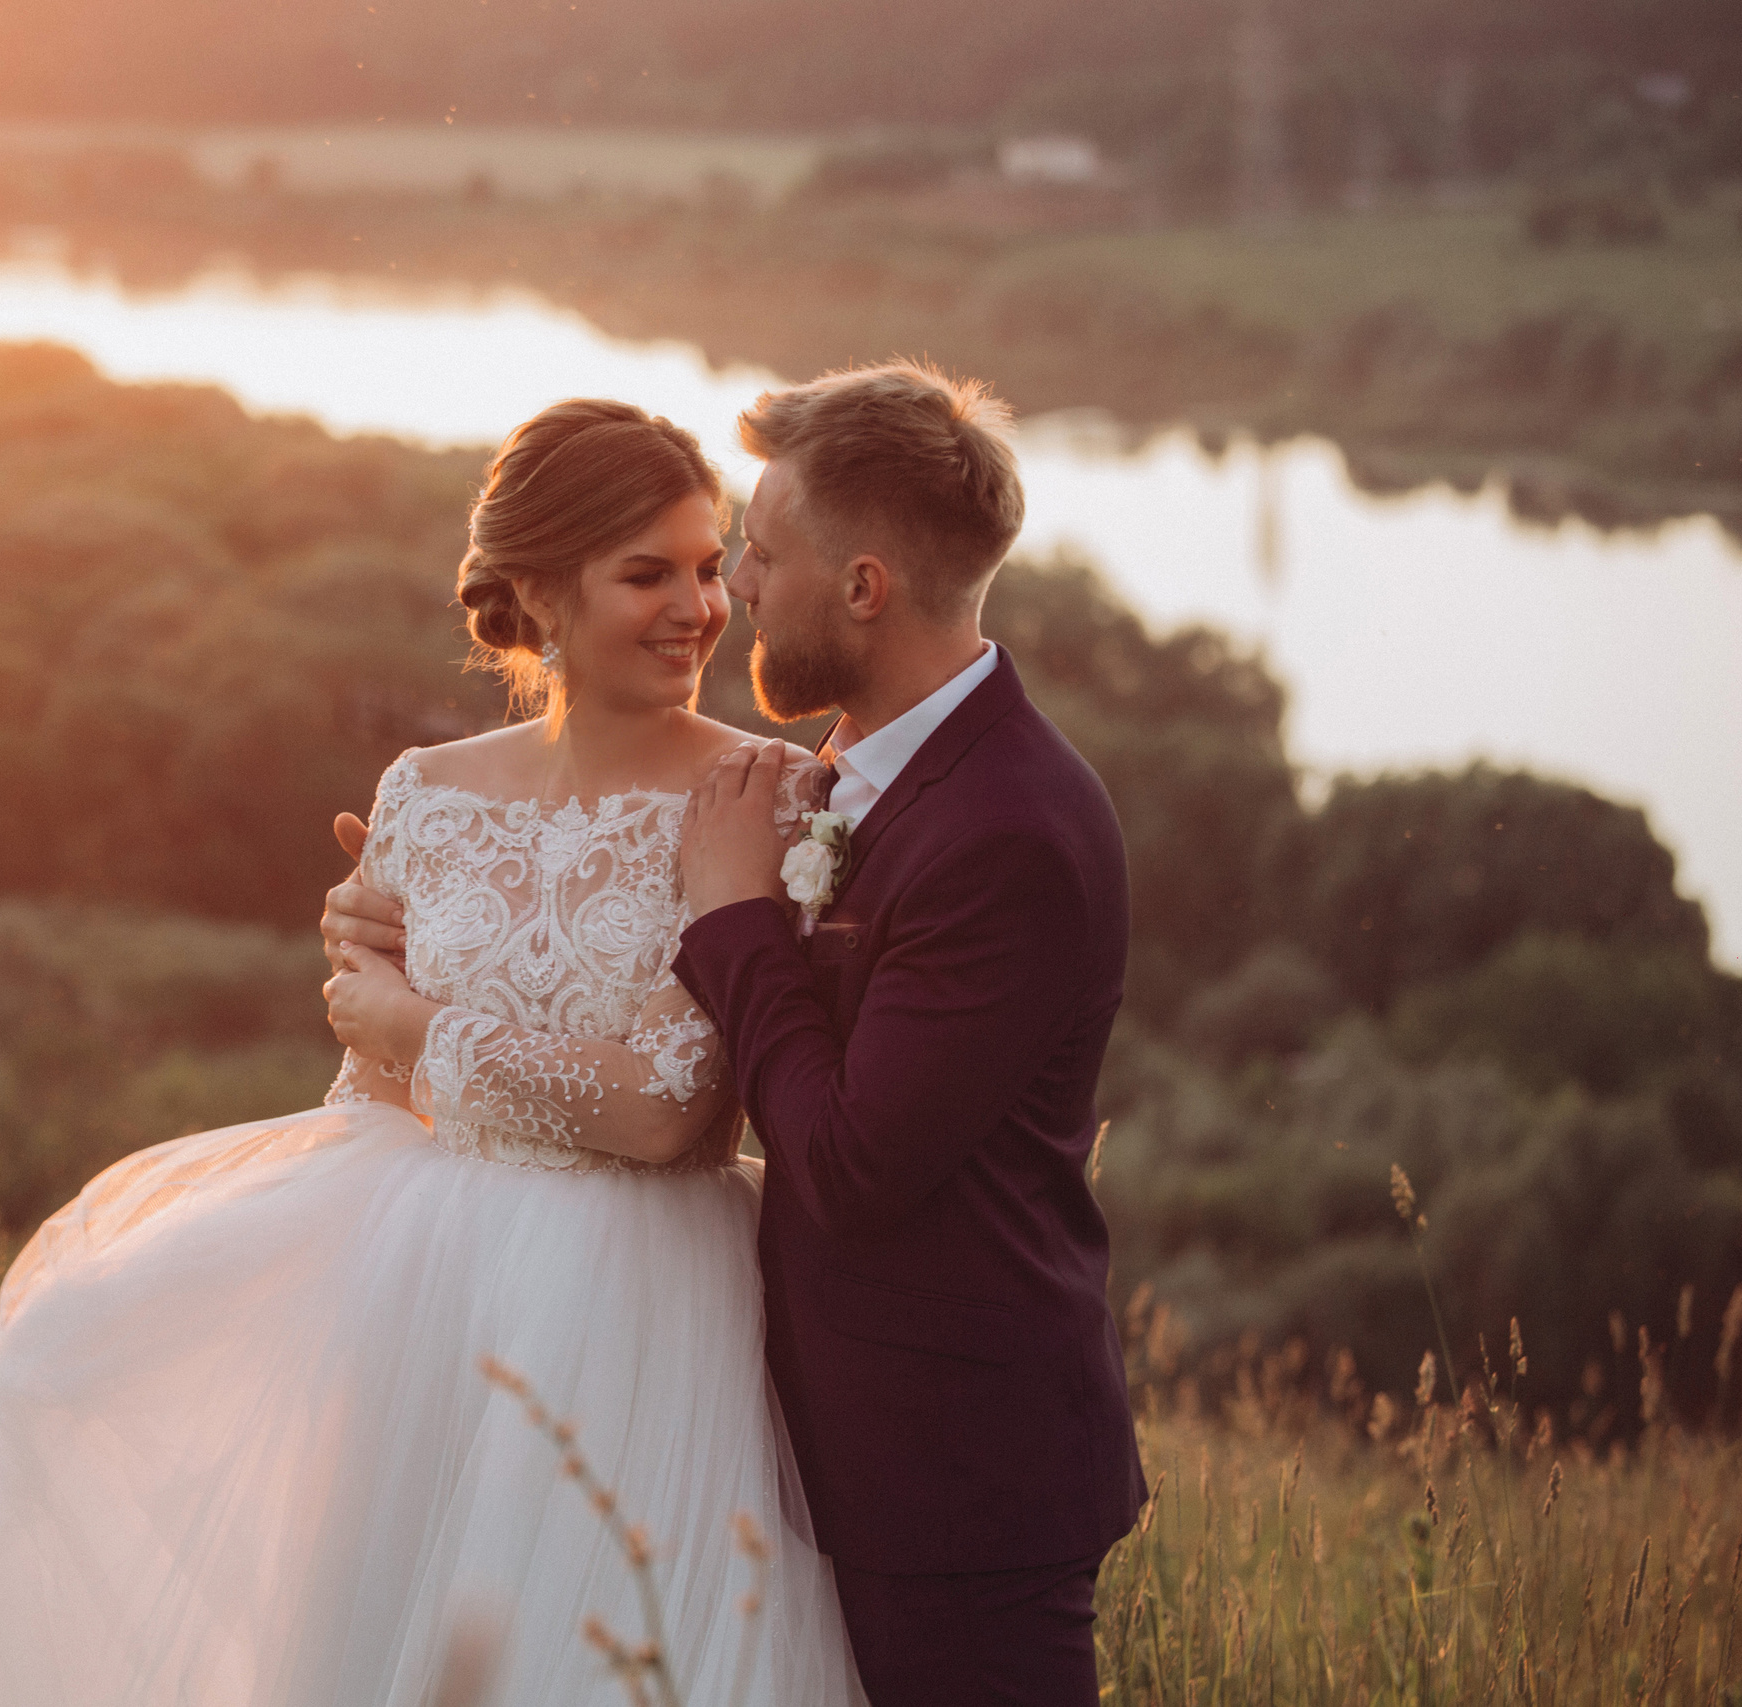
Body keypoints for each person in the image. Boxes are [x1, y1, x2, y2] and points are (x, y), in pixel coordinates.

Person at [0, 399, 860, 1706]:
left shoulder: (763, 795)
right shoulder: (424, 792)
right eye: (649, 574)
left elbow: (666, 1114)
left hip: (640, 1312)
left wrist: (421, 1024)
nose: (697, 606)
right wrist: (392, 1036)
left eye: (704, 565)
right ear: (542, 591)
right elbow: (375, 1088)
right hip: (421, 1302)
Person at [330, 360, 1148, 1706]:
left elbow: (831, 1152)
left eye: (748, 557)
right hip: (743, 1401)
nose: (732, 597)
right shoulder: (847, 777)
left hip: (954, 1470)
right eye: (684, 568)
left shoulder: (1000, 828)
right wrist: (413, 938)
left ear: (864, 587)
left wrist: (729, 917)